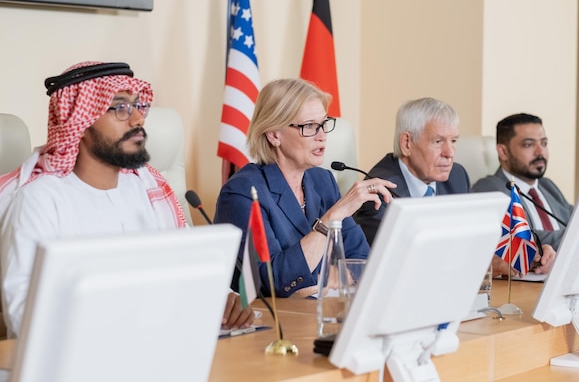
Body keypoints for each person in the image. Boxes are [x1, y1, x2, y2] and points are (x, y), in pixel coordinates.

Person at [0, 61, 253, 338]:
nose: (137, 119)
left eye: (137, 106)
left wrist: (223, 299)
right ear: (80, 121)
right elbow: (23, 316)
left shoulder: (149, 190)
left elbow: (184, 270)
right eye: (120, 108)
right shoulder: (39, 200)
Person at [214, 78, 395, 298]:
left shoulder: (322, 181)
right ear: (274, 135)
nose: (322, 136)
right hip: (274, 325)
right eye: (309, 126)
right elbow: (272, 282)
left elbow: (362, 263)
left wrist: (314, 282)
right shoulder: (242, 192)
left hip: (322, 312)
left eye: (323, 124)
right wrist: (331, 219)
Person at [353, 97, 470, 245]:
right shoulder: (380, 192)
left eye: (453, 141)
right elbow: (392, 256)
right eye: (438, 142)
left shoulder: (457, 177)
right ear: (407, 143)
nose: (449, 153)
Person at [472, 113, 571, 276]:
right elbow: (520, 238)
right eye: (528, 145)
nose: (541, 152)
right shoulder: (490, 188)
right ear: (503, 151)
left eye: (544, 143)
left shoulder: (548, 186)